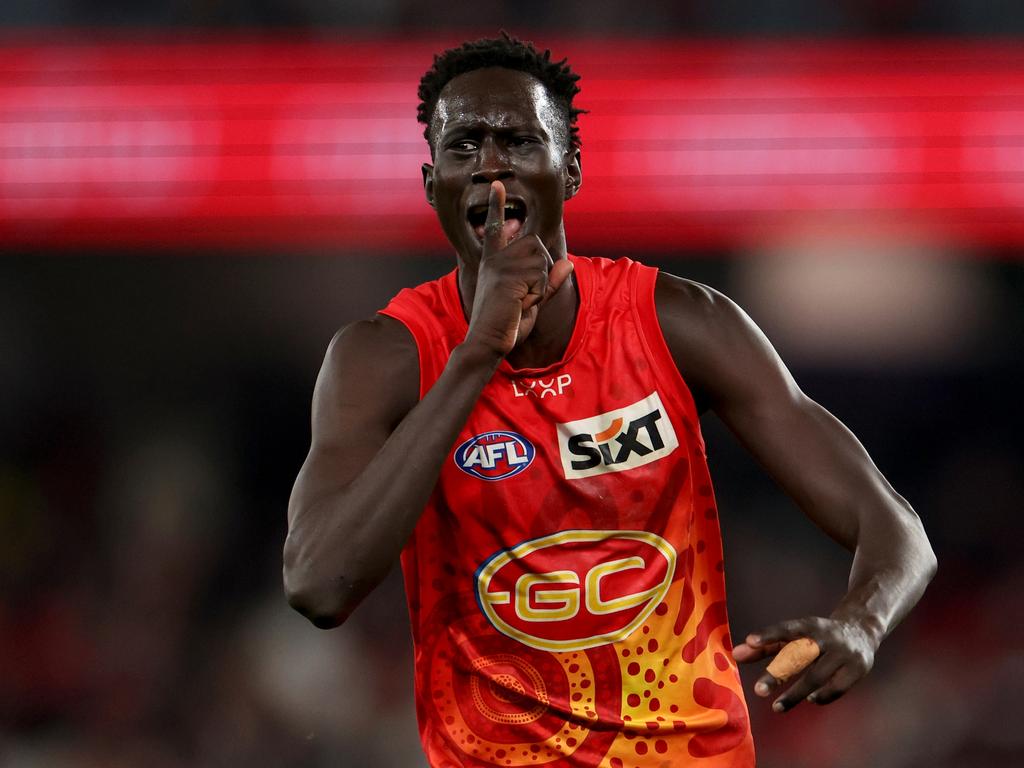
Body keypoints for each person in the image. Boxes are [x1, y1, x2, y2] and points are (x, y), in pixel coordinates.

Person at [283, 33, 937, 767]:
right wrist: (476, 356)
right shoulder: (386, 356)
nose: (492, 164)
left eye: (520, 141)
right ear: (433, 182)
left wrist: (861, 624)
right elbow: (318, 584)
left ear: (571, 170)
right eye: (464, 145)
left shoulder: (679, 322)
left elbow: (896, 529)